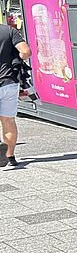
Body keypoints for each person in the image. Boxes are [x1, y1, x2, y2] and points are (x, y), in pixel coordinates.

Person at [0, 22, 30, 169]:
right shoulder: (9, 31)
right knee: (8, 121)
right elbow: (26, 52)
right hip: (8, 82)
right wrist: (16, 60)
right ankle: (10, 156)